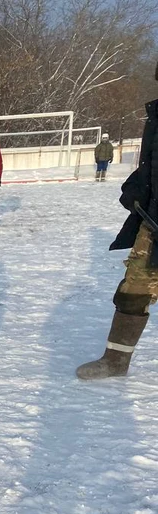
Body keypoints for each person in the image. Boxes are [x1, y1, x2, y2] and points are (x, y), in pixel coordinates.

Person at [77, 63, 158, 379]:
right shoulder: (155, 119)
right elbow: (150, 166)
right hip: (151, 223)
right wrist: (136, 189)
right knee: (133, 291)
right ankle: (115, 362)